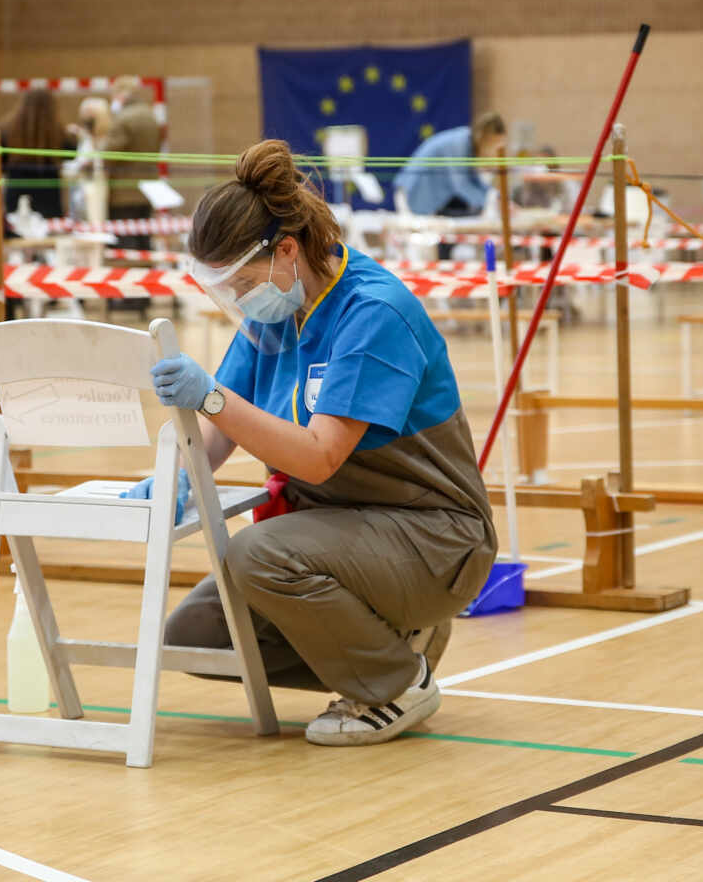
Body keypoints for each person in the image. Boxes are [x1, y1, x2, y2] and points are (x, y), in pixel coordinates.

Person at [124, 139, 496, 746]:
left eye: (243, 283)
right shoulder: (275, 316)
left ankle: (396, 682)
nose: (238, 302)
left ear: (287, 252)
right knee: (198, 636)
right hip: (343, 530)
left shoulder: (373, 313)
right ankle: (384, 639)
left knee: (258, 555)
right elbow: (217, 433)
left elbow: (320, 457)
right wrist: (182, 475)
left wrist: (211, 396)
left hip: (434, 538)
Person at [101, 78, 162, 311]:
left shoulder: (123, 118)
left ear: (121, 96)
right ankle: (146, 292)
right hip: (148, 189)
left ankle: (130, 296)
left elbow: (108, 153)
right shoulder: (150, 115)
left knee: (126, 244)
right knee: (144, 242)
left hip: (125, 192)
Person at [394, 111, 506, 218]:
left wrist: (498, 197)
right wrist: (491, 200)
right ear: (483, 137)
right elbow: (461, 185)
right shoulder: (459, 144)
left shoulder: (468, 144)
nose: (493, 152)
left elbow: (474, 181)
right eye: (493, 145)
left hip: (425, 200)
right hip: (411, 194)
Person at [0, 89, 72, 220]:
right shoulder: (60, 131)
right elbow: (71, 155)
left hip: (16, 191)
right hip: (49, 195)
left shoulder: (6, 129)